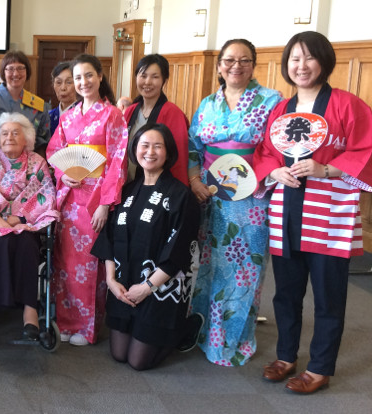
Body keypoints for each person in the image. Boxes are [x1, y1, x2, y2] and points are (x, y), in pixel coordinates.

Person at [253, 31, 372, 394]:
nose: (300, 66)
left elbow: (366, 147)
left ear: (324, 61)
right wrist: (273, 171)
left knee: (328, 294)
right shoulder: (281, 109)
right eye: (294, 59)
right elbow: (265, 152)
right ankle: (286, 355)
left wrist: (328, 170)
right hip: (286, 210)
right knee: (285, 292)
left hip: (328, 214)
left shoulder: (347, 105)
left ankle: (320, 366)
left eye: (308, 58)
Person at [188, 39, 282, 366]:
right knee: (211, 267)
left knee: (244, 269)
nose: (236, 66)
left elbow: (277, 150)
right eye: (229, 60)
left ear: (254, 65)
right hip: (213, 196)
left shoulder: (271, 101)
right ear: (219, 66)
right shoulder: (207, 104)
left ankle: (234, 339)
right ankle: (204, 331)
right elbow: (193, 148)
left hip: (251, 198)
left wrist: (257, 176)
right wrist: (196, 180)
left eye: (244, 60)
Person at [91, 123, 203, 370]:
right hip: (125, 286)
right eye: (144, 145)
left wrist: (148, 287)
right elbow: (108, 238)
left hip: (160, 290)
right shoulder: (127, 191)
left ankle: (184, 328)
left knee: (137, 361)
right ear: (134, 150)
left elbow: (179, 250)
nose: (150, 152)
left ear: (168, 152)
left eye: (157, 146)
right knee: (119, 354)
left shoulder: (180, 195)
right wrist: (110, 280)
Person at [46, 53, 129, 346]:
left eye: (88, 76)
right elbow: (55, 152)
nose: (83, 82)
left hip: (96, 195)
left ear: (100, 76)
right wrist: (63, 173)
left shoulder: (112, 115)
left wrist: (106, 203)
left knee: (91, 263)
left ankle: (87, 326)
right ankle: (66, 321)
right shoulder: (68, 116)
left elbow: (117, 161)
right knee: (65, 261)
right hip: (70, 194)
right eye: (77, 78)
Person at [0, 112, 58, 341]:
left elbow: (46, 194)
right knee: (1, 241)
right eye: (5, 133)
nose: (9, 137)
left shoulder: (37, 162)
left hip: (27, 225)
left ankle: (30, 312)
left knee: (26, 244)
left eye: (16, 133)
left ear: (26, 139)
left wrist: (20, 219)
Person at [122, 54, 190, 185]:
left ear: (164, 80)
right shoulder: (130, 111)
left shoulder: (173, 113)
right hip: (129, 186)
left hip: (159, 186)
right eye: (143, 76)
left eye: (155, 77)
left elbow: (179, 159)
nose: (147, 82)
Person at [0, 51, 51, 155]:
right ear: (4, 72)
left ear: (27, 71)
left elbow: (43, 139)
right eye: (10, 69)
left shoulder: (38, 104)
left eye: (21, 68)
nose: (16, 73)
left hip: (30, 162)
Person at [48, 61, 77, 136]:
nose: (63, 88)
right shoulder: (49, 116)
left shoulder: (84, 114)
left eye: (69, 82)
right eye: (58, 82)